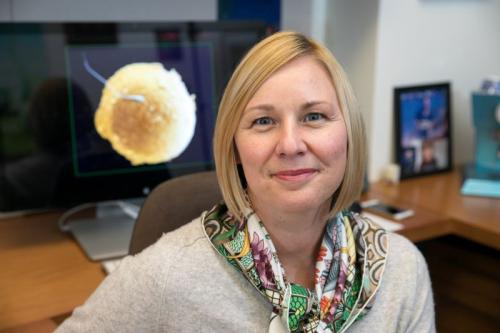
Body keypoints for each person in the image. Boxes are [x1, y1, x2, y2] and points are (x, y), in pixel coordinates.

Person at [56, 31, 435, 332]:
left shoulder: (401, 271)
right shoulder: (165, 277)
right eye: (263, 121)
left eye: (314, 116)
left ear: (349, 133)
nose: (290, 144)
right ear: (234, 147)